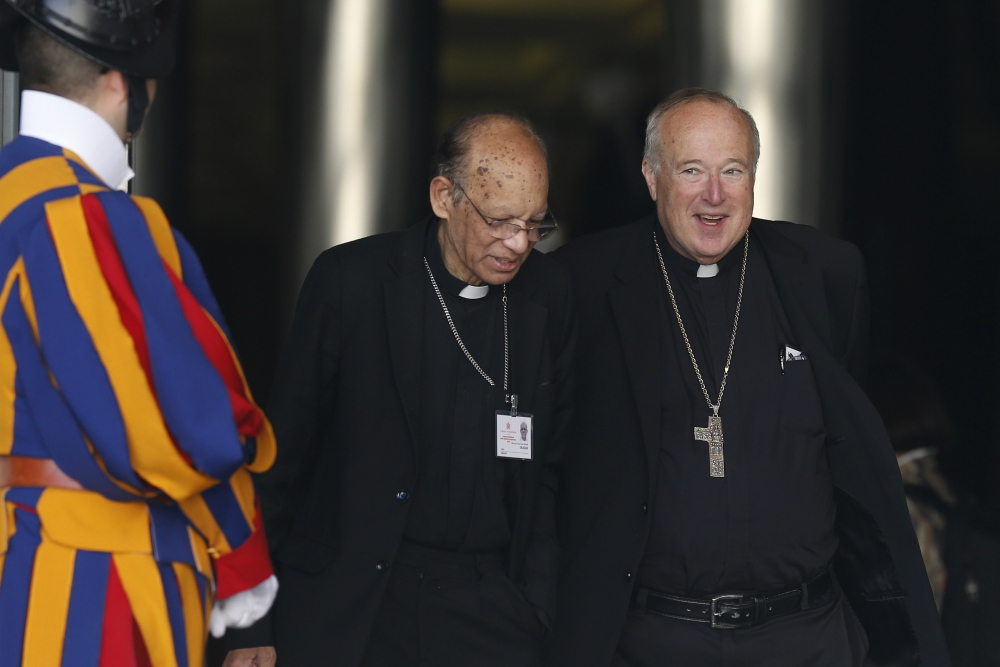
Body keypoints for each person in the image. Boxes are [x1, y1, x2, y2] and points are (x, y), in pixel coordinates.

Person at [546, 88, 949, 666]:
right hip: (649, 641)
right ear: (651, 176)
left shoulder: (825, 273)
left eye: (732, 170)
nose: (714, 196)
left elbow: (845, 444)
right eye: (692, 171)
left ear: (754, 175)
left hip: (806, 638)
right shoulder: (579, 285)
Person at [234, 113, 574, 666]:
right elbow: (281, 461)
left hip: (493, 611)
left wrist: (536, 604)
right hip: (357, 605)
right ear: (444, 196)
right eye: (500, 220)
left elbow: (555, 469)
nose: (518, 244)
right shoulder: (352, 281)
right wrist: (250, 624)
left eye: (535, 224)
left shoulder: (549, 297)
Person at [0, 2, 278, 666]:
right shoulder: (92, 216)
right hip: (97, 583)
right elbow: (180, 424)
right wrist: (245, 564)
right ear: (124, 79)